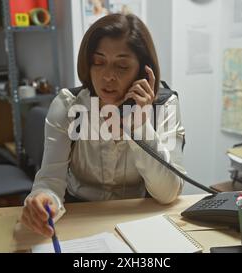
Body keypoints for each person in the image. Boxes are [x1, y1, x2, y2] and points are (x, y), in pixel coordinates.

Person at [21, 13, 186, 238]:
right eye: (98, 62)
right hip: (80, 216)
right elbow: (51, 179)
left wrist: (139, 125)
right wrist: (44, 200)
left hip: (138, 220)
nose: (107, 76)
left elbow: (167, 193)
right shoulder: (70, 106)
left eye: (121, 66)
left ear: (142, 73)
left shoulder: (163, 107)